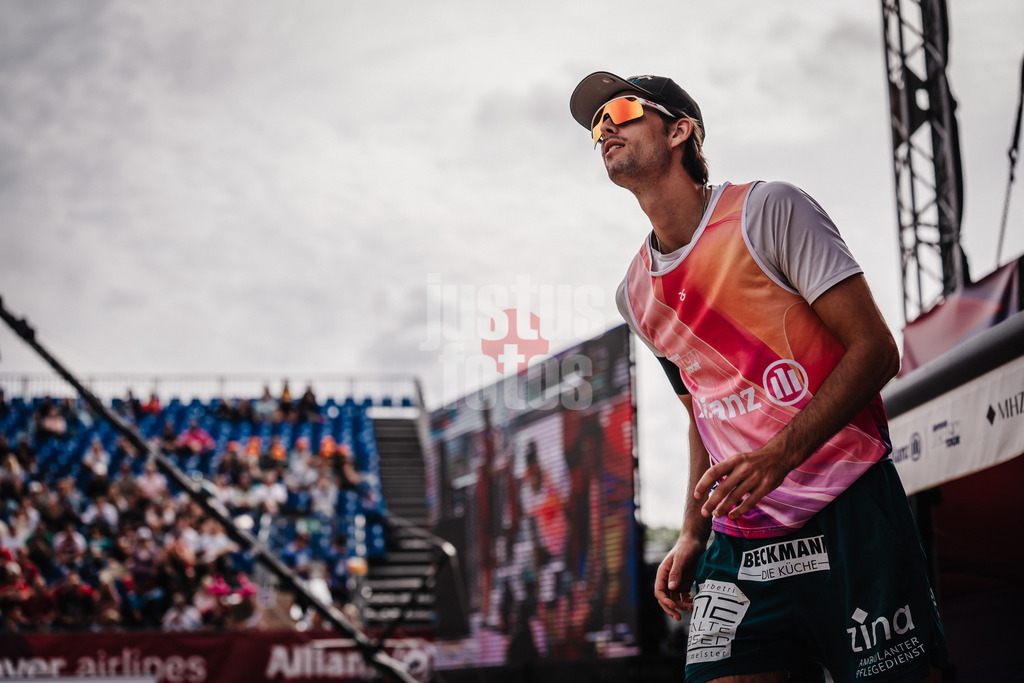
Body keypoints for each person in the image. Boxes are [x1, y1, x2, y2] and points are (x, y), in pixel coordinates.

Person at [570, 71, 948, 682]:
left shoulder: (769, 209)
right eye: (596, 124)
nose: (604, 126)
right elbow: (701, 410)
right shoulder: (635, 293)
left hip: (849, 505)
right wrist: (692, 531)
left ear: (680, 131)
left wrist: (778, 456)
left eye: (621, 109)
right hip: (741, 536)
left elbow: (876, 351)